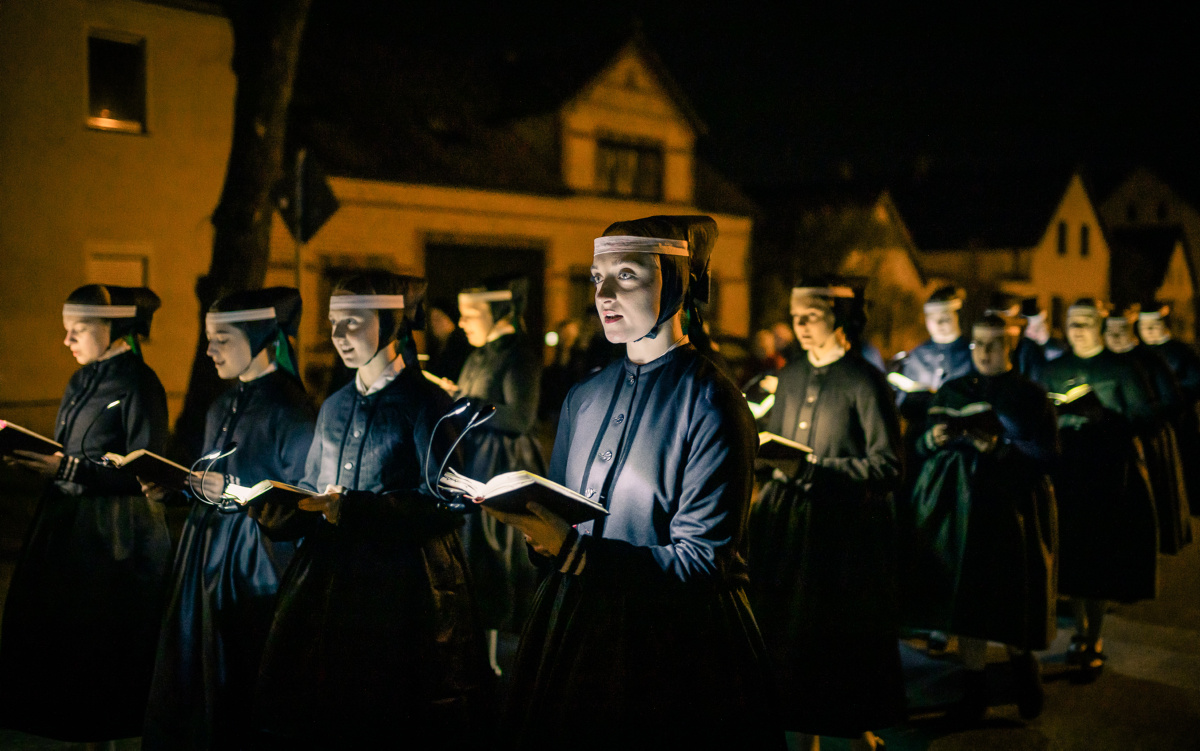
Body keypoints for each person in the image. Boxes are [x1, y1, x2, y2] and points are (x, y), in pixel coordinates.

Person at [485, 216, 777, 749]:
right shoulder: (584, 396)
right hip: (574, 628)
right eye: (597, 278)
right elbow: (567, 516)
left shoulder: (713, 403)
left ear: (675, 282)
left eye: (627, 274)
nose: (605, 294)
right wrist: (541, 535)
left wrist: (575, 553)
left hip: (672, 650)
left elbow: (704, 560)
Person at [251, 272, 491, 748]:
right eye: (334, 323)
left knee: (396, 712)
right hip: (334, 584)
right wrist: (282, 508)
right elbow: (313, 487)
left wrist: (356, 509)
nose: (339, 335)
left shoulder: (425, 401)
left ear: (390, 324)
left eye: (353, 323)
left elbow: (447, 502)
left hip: (406, 590)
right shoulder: (335, 405)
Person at [140, 288, 316, 750]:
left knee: (239, 672)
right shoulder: (221, 404)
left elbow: (303, 498)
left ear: (259, 338)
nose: (209, 349)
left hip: (255, 565)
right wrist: (179, 489)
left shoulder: (291, 410)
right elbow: (208, 478)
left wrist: (236, 491)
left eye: (222, 338)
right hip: (204, 554)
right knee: (193, 670)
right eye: (208, 338)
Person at [0, 284, 172, 742]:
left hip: (115, 531)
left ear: (112, 327)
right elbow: (69, 448)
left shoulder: (139, 382)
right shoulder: (79, 380)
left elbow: (147, 467)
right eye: (66, 330)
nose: (67, 341)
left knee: (102, 647)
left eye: (78, 330)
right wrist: (40, 459)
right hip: (64, 523)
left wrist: (73, 467)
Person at [748, 281, 904, 751]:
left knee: (839, 638)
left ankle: (856, 727)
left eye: (810, 316)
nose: (799, 326)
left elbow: (886, 465)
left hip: (843, 530)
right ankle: (804, 731)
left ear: (838, 318)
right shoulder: (790, 375)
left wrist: (817, 468)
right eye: (794, 317)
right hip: (787, 522)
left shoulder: (864, 380)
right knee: (787, 630)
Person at [903, 314, 1058, 721]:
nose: (984, 353)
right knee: (966, 602)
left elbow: (1047, 457)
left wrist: (999, 449)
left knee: (1009, 599)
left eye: (993, 345)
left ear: (1010, 347)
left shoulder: (1029, 394)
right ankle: (973, 691)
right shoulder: (953, 389)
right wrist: (930, 439)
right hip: (957, 508)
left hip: (1009, 511)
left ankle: (1026, 679)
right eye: (978, 345)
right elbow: (917, 446)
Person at [1037, 299, 1157, 681]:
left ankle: (1094, 635)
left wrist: (1104, 418)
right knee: (1071, 555)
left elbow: (1146, 417)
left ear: (1100, 325)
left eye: (1086, 322)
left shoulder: (1120, 368)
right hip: (1066, 470)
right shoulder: (1053, 369)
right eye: (1072, 323)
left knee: (1099, 555)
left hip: (1106, 473)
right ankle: (1077, 631)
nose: (1078, 330)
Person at [451, 278, 546, 675]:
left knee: (494, 557)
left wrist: (466, 402)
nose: (461, 323)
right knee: (471, 554)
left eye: (470, 314)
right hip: (475, 462)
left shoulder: (519, 355)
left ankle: (499, 657)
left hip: (501, 466)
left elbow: (520, 417)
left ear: (498, 313)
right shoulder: (479, 353)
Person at [1104, 310, 1192, 553]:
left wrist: (1144, 410)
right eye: (1110, 332)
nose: (1115, 337)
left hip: (1147, 436)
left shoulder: (1150, 360)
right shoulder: (1105, 362)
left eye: (1121, 331)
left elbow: (1172, 400)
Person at [1138, 303, 1200, 519]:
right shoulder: (1140, 352)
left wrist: (1173, 394)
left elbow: (1195, 382)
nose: (1149, 330)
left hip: (1178, 420)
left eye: (1154, 325)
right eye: (1144, 326)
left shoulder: (1180, 351)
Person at [1012, 297, 1066, 381]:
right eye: (1033, 328)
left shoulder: (1056, 349)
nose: (1038, 331)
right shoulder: (1024, 348)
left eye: (1041, 324)